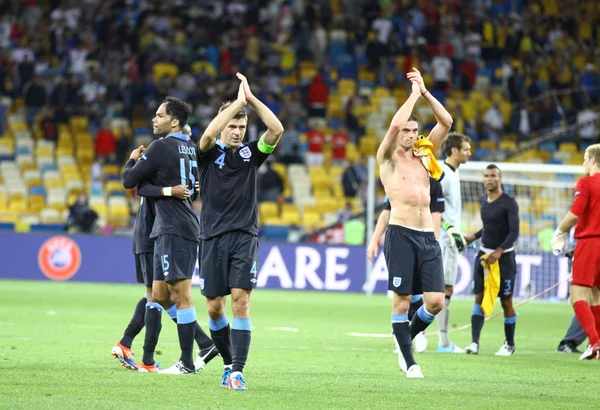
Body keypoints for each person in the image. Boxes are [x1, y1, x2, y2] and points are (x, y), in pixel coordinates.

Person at [197, 73, 284, 390]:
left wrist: (250, 100)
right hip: (211, 238)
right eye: (232, 126)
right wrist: (235, 103)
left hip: (244, 237)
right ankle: (227, 364)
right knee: (213, 307)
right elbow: (207, 135)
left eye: (241, 127)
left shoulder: (251, 154)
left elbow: (276, 130)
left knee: (241, 301)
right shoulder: (206, 155)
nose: (236, 132)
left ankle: (237, 371)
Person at [112, 125, 218, 373]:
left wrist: (188, 186)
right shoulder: (160, 166)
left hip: (157, 232)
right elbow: (134, 185)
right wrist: (133, 161)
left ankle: (141, 352)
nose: (186, 142)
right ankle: (142, 354)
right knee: (157, 295)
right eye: (185, 135)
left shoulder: (174, 164)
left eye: (189, 137)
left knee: (159, 295)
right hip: (151, 233)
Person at [377, 67, 453, 378]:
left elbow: (447, 122)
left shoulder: (425, 155)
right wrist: (412, 95)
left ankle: (403, 338)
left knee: (435, 301)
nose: (409, 134)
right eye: (406, 131)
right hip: (401, 234)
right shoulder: (387, 158)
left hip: (427, 237)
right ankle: (409, 361)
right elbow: (395, 123)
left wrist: (425, 93)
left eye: (413, 130)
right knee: (403, 300)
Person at [367, 176, 445, 354]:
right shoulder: (398, 181)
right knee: (406, 294)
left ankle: (413, 332)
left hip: (426, 243)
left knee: (431, 299)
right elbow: (386, 212)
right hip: (402, 243)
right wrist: (374, 240)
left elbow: (436, 214)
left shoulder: (433, 182)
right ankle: (408, 333)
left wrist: (434, 242)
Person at [463, 164, 520, 356]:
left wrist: (500, 250)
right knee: (478, 298)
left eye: (493, 176)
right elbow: (488, 227)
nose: (490, 179)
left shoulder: (509, 202)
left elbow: (514, 232)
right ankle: (474, 343)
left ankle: (509, 344)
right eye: (486, 176)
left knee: (506, 301)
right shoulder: (483, 200)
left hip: (504, 259)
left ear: (500, 179)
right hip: (483, 256)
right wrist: (474, 236)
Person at [551, 143, 600, 360]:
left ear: (592, 160)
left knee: (577, 296)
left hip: (590, 242)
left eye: (584, 159)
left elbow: (575, 213)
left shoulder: (586, 182)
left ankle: (594, 342)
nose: (582, 163)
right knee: (596, 296)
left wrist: (558, 232)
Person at [437, 133, 472, 353]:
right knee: (441, 288)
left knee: (442, 288)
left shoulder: (453, 173)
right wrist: (449, 230)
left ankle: (439, 340)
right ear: (454, 151)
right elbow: (434, 206)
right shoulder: (444, 175)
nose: (470, 153)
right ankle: (442, 343)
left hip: (450, 238)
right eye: (466, 149)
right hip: (443, 239)